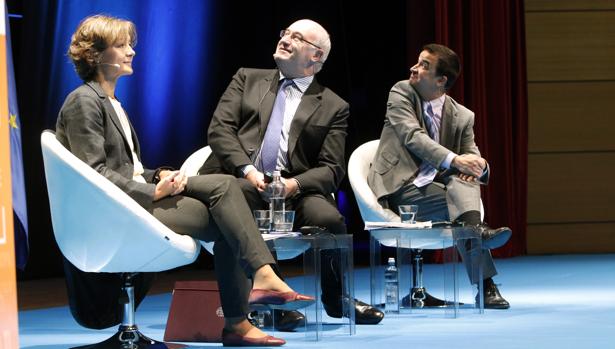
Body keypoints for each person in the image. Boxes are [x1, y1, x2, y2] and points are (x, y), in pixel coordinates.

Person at [56, 15, 315, 347]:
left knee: (230, 200)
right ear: (95, 55)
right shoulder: (83, 100)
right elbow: (95, 175)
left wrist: (159, 175)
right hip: (114, 212)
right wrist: (153, 190)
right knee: (225, 187)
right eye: (120, 46)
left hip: (134, 200)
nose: (131, 52)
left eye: (129, 45)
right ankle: (257, 287)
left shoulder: (111, 102)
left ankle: (242, 318)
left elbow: (127, 168)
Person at [201, 19, 384, 329]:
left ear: (316, 57)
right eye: (285, 33)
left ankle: (337, 298)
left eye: (297, 38)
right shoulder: (247, 79)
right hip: (241, 181)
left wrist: (292, 185)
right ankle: (276, 299)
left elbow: (331, 168)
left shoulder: (333, 105)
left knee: (329, 220)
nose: (285, 39)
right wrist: (248, 172)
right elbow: (220, 132)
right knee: (238, 200)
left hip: (294, 190)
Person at [367, 43, 511, 309]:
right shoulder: (401, 93)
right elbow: (413, 136)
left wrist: (479, 166)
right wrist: (456, 161)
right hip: (400, 186)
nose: (414, 68)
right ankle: (486, 283)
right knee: (461, 204)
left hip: (437, 188)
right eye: (418, 61)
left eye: (424, 65)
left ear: (441, 80)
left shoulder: (462, 116)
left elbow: (473, 155)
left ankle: (474, 230)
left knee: (462, 184)